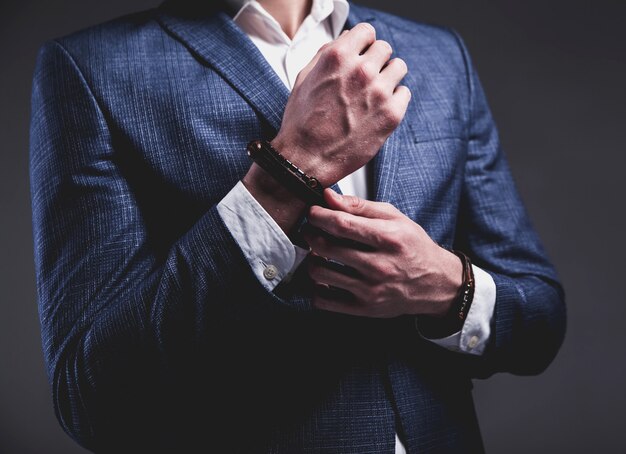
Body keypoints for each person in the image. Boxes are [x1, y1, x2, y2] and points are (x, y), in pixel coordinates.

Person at [29, 0, 566, 452]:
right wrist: (291, 169)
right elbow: (91, 396)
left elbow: (540, 321)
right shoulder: (92, 67)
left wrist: (448, 286)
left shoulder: (439, 55)